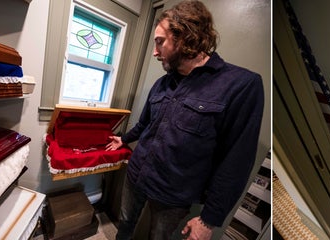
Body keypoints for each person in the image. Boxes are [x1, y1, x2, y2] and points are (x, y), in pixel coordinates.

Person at [105, 1, 264, 239]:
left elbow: (237, 161)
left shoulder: (241, 85)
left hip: (174, 194)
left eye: (160, 42)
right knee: (125, 223)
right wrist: (123, 139)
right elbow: (145, 124)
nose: (155, 52)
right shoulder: (162, 84)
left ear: (186, 37)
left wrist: (209, 220)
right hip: (137, 173)